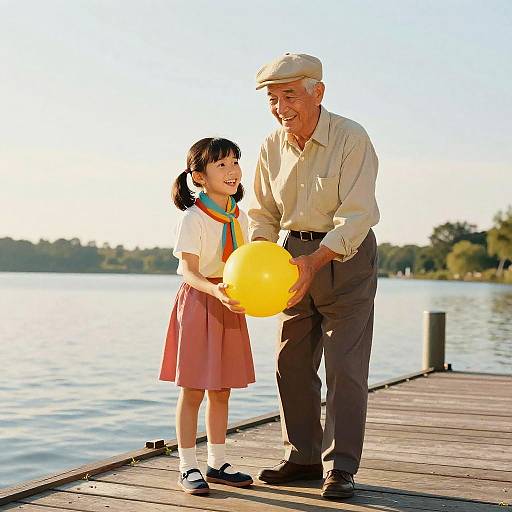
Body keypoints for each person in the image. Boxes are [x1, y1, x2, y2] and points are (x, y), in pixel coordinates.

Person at [248, 53, 379, 500]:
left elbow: (357, 215)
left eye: (289, 95)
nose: (280, 106)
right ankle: (302, 455)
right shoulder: (270, 146)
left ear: (317, 92)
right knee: (290, 361)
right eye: (272, 98)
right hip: (289, 256)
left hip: (345, 257)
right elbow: (263, 214)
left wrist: (316, 260)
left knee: (345, 364)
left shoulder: (351, 137)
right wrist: (258, 260)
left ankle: (339, 467)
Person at [160, 137, 255, 495]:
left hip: (228, 302)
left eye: (234, 162)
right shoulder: (193, 218)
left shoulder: (240, 217)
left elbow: (247, 265)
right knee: (193, 390)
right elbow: (188, 270)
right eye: (221, 165)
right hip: (202, 301)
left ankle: (217, 462)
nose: (232, 171)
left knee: (222, 389)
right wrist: (215, 290)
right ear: (199, 176)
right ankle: (187, 466)